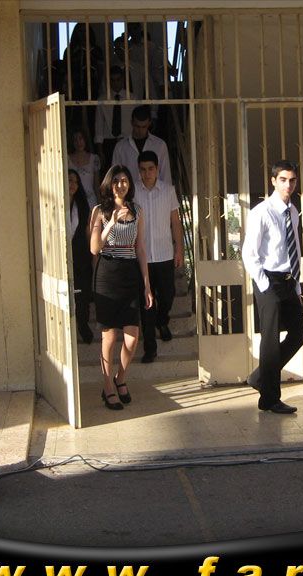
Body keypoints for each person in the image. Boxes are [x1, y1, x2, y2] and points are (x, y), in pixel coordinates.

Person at [241, 160, 303, 414]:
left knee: (299, 333)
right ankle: (269, 399)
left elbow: (295, 249)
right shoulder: (261, 212)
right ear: (273, 181)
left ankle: (260, 377)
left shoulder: (293, 211)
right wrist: (264, 283)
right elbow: (249, 253)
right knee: (270, 339)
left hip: (288, 280)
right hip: (268, 279)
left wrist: (297, 287)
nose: (288, 185)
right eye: (283, 180)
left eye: (292, 180)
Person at [89, 165, 153, 411]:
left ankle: (120, 377)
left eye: (125, 180)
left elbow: (140, 248)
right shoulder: (99, 211)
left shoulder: (137, 210)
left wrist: (146, 285)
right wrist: (111, 222)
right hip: (107, 274)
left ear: (130, 184)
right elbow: (95, 248)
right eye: (116, 181)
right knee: (109, 336)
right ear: (109, 184)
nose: (120, 185)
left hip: (130, 274)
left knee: (132, 337)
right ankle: (107, 386)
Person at [135, 150, 184, 363]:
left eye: (151, 169)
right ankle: (150, 348)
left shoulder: (168, 190)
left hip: (164, 255)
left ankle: (162, 320)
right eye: (143, 170)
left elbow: (175, 222)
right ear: (139, 171)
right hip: (142, 257)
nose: (147, 173)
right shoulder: (133, 193)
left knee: (167, 295)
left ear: (157, 169)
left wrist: (179, 249)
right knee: (146, 303)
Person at [94, 65, 139, 174]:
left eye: (118, 79)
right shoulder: (102, 99)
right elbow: (99, 126)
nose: (115, 83)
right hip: (109, 142)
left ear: (123, 80)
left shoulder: (132, 98)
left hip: (128, 140)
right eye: (112, 80)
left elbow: (137, 123)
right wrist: (100, 151)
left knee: (129, 171)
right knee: (111, 173)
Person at [112, 104, 172, 186]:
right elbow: (115, 176)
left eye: (144, 127)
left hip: (155, 193)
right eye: (137, 126)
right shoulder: (120, 147)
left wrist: (167, 192)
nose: (140, 130)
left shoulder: (160, 145)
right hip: (130, 192)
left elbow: (166, 176)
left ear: (149, 123)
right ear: (132, 123)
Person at [67, 169, 94, 344]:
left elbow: (88, 232)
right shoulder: (55, 204)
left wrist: (92, 254)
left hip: (81, 255)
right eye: (69, 180)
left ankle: (83, 325)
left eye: (76, 182)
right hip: (62, 255)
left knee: (83, 294)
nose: (73, 185)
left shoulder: (83, 205)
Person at [67, 129, 101, 207]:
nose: (78, 142)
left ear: (85, 139)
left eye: (80, 138)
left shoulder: (94, 159)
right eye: (75, 140)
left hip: (91, 201)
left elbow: (96, 185)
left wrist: (99, 203)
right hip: (74, 201)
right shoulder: (67, 159)